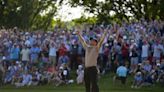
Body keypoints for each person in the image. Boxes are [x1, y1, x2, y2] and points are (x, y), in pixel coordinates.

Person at [77, 27, 107, 92]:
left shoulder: (96, 48)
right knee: (87, 84)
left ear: (95, 42)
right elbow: (82, 41)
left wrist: (104, 34)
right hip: (86, 68)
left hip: (93, 68)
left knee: (94, 84)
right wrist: (79, 35)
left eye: (92, 40)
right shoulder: (87, 47)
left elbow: (101, 42)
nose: (91, 41)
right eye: (91, 40)